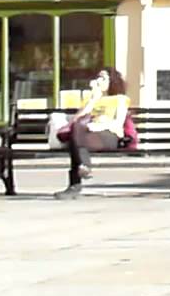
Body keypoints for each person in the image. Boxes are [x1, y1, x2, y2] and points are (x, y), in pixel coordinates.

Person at [54, 69, 130, 200]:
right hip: (89, 134)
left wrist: (98, 126)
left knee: (76, 140)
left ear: (113, 81)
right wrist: (93, 99)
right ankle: (84, 167)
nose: (99, 81)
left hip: (110, 135)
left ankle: (75, 184)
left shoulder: (120, 99)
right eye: (98, 77)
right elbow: (76, 119)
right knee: (76, 131)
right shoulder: (92, 99)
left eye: (103, 78)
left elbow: (118, 123)